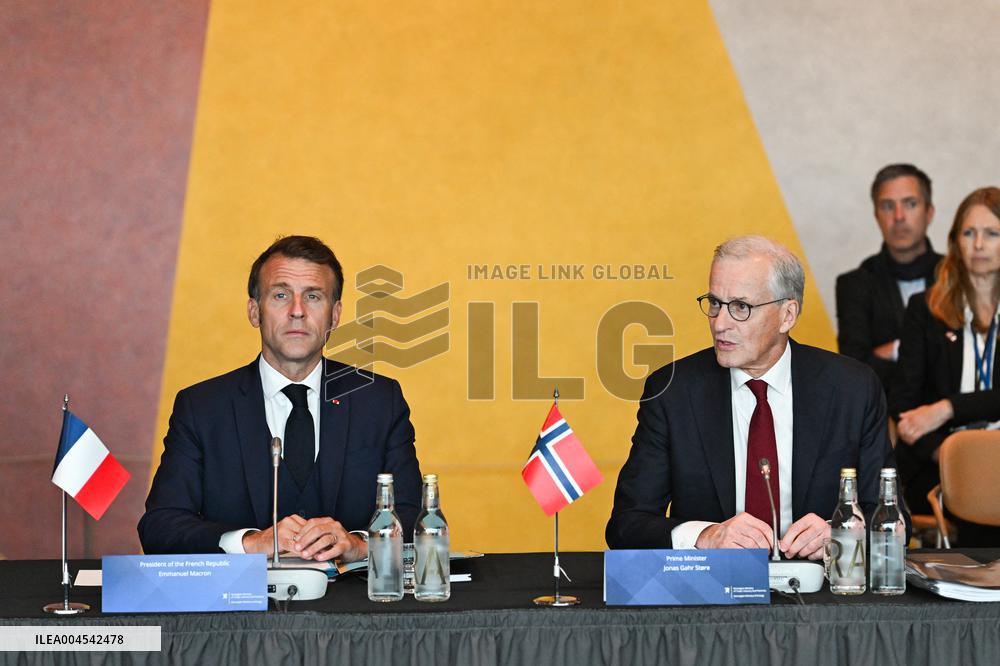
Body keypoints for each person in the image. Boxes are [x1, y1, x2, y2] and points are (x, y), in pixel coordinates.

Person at [607, 236, 903, 558]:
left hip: (820, 590)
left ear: (787, 315)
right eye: (715, 303)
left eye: (740, 307)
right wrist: (706, 535)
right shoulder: (673, 391)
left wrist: (842, 533)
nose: (720, 323)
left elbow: (894, 520)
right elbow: (626, 524)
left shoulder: (852, 389)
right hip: (712, 593)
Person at [138, 236, 422, 561]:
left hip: (353, 606)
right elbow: (160, 527)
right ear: (254, 311)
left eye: (313, 296)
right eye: (280, 295)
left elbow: (415, 518)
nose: (297, 311)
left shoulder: (379, 401)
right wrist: (248, 543)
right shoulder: (202, 408)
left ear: (335, 314)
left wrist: (359, 545)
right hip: (241, 609)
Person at [891, 187, 1000, 543]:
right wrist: (955, 459)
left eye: (992, 233)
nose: (979, 244)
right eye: (969, 233)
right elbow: (904, 403)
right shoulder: (926, 309)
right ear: (955, 242)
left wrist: (947, 408)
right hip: (938, 463)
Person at [836, 164, 942, 390]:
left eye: (910, 204)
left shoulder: (956, 277)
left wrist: (890, 351)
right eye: (887, 206)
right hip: (882, 413)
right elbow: (854, 370)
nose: (899, 216)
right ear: (876, 216)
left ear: (929, 212)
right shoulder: (854, 285)